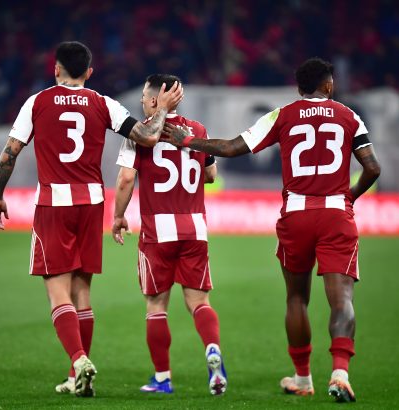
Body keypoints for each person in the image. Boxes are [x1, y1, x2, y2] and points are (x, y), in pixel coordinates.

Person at [162, 57, 381, 403]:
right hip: (336, 215)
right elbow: (372, 168)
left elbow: (231, 147)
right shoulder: (349, 116)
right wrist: (349, 197)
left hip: (295, 216)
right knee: (342, 299)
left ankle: (303, 378)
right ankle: (340, 373)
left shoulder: (283, 115)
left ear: (299, 88)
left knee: (296, 298)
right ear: (328, 85)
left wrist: (189, 141)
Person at [0, 41, 183, 398]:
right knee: (82, 292)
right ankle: (76, 376)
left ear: (55, 68)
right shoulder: (103, 103)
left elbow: (10, 153)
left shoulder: (37, 102)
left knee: (57, 292)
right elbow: (148, 137)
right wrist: (164, 110)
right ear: (89, 72)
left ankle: (79, 361)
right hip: (92, 203)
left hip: (54, 203)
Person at [112, 74, 227, 396]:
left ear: (154, 100)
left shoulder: (140, 133)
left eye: (143, 97)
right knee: (199, 302)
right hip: (194, 227)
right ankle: (213, 350)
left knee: (156, 305)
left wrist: (118, 216)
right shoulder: (198, 130)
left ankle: (162, 378)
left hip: (157, 230)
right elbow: (211, 174)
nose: (140, 102)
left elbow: (125, 179)